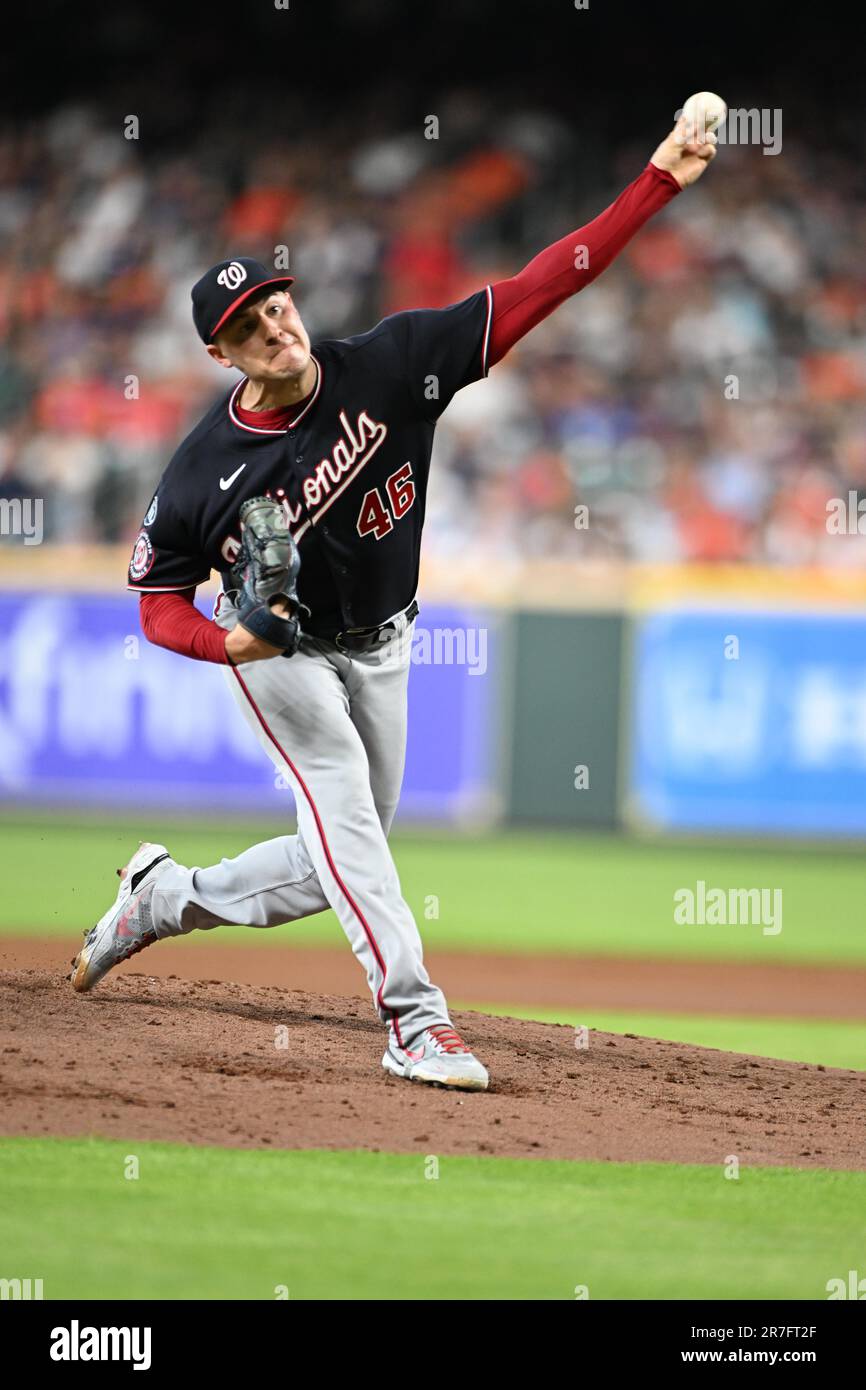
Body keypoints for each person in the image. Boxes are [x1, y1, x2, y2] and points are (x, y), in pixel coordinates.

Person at [71, 116, 717, 1091]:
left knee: (335, 855)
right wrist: (230, 644)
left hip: (383, 641)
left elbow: (548, 280)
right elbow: (157, 601)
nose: (272, 328)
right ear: (222, 353)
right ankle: (415, 1019)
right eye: (245, 327)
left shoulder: (392, 360)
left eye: (275, 306)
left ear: (293, 299)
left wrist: (655, 181)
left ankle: (162, 897)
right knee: (348, 825)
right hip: (282, 655)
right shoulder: (202, 472)